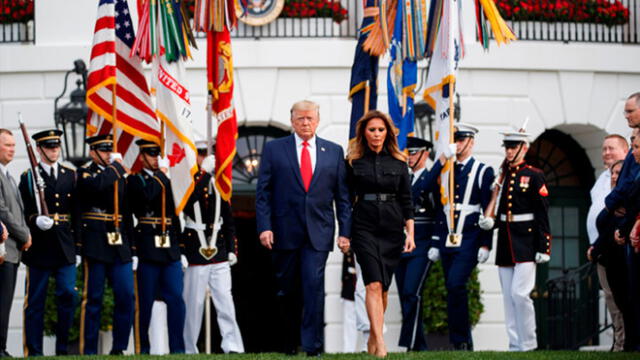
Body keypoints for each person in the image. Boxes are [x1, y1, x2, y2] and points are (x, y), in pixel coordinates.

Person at [256, 100, 351, 356]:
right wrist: (264, 227)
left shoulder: (333, 151)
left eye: (310, 118)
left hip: (318, 233)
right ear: (292, 121)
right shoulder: (275, 149)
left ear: (318, 120)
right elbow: (263, 192)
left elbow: (342, 197)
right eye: (300, 119)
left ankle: (313, 347)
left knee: (313, 286)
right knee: (287, 290)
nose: (306, 123)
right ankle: (288, 344)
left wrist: (345, 232)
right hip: (284, 231)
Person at [345, 110, 415, 357]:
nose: (376, 134)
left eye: (380, 130)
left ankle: (373, 343)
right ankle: (381, 345)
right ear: (364, 132)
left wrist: (410, 234)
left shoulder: (399, 162)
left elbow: (407, 201)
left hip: (392, 228)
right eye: (372, 129)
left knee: (383, 288)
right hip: (363, 226)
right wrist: (344, 233)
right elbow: (345, 200)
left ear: (388, 133)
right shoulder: (353, 161)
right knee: (372, 284)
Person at [428, 124, 494, 351]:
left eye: (462, 140)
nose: (458, 144)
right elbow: (438, 204)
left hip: (470, 237)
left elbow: (488, 209)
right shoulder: (446, 169)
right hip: (447, 236)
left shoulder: (482, 170)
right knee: (451, 286)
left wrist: (486, 243)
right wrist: (436, 241)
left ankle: (462, 339)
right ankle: (460, 341)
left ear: (471, 142)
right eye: (455, 139)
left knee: (456, 283)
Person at [18, 129, 78, 356]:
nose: (55, 150)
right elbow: (22, 211)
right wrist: (35, 220)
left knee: (68, 294)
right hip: (40, 246)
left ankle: (62, 349)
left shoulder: (69, 175)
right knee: (35, 302)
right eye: (50, 147)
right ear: (40, 150)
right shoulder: (29, 177)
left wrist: (78, 248)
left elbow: (77, 213)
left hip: (64, 244)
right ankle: (34, 351)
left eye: (57, 146)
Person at [182, 140, 244, 354]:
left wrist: (231, 249)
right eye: (201, 153)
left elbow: (228, 220)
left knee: (225, 301)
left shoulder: (221, 182)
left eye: (207, 154)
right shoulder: (189, 180)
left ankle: (232, 345)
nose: (204, 157)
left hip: (218, 250)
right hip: (195, 250)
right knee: (194, 304)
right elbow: (189, 201)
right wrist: (205, 173)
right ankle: (190, 347)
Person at [493, 129, 551, 352]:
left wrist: (544, 246)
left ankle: (528, 342)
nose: (509, 151)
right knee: (508, 296)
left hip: (527, 242)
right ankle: (515, 343)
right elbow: (499, 205)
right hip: (506, 242)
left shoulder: (534, 174)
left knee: (520, 294)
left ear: (523, 148)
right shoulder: (503, 173)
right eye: (507, 147)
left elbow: (542, 212)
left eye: (513, 147)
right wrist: (492, 227)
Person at [77, 134, 135, 355]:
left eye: (110, 150)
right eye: (103, 150)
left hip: (119, 243)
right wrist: (117, 169)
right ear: (93, 152)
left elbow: (127, 211)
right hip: (96, 242)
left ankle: (119, 347)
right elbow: (96, 187)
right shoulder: (85, 172)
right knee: (94, 299)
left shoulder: (118, 175)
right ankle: (89, 350)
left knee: (126, 295)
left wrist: (134, 248)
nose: (108, 154)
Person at [127, 139, 186, 354]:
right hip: (147, 248)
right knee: (145, 302)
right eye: (150, 155)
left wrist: (183, 249)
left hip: (170, 248)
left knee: (176, 300)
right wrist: (162, 173)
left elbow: (179, 211)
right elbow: (145, 198)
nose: (154, 158)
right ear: (142, 156)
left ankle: (178, 348)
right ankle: (143, 347)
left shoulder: (170, 179)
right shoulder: (135, 181)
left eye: (157, 155)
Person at [395, 136, 443, 351]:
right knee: (406, 294)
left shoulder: (432, 179)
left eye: (414, 153)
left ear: (425, 153)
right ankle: (419, 345)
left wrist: (435, 241)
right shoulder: (402, 177)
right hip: (400, 243)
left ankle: (409, 343)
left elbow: (439, 211)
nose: (410, 157)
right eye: (408, 152)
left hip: (422, 243)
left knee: (411, 292)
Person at [585, 134, 628, 351]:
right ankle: (619, 340)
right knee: (610, 297)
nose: (606, 153)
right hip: (600, 248)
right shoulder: (603, 177)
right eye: (603, 149)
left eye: (611, 148)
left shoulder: (627, 178)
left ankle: (623, 342)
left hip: (616, 247)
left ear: (625, 150)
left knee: (619, 297)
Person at [0, 128, 31, 358]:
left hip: (12, 250)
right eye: (7, 145)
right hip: (3, 249)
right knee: (1, 302)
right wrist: (24, 235)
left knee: (6, 302)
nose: (12, 149)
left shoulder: (8, 175)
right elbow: (3, 211)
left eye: (13, 145)